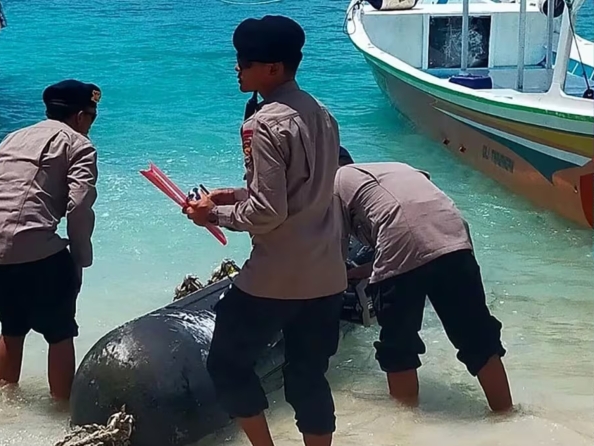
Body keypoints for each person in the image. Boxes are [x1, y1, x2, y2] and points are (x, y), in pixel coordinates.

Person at [184, 15, 348, 446]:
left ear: (272, 68)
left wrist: (211, 216)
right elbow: (305, 189)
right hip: (327, 273)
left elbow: (268, 212)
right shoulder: (322, 113)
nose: (236, 68)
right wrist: (231, 194)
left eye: (244, 61)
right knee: (308, 374)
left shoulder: (262, 123)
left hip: (276, 277)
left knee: (226, 365)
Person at [336, 161, 513, 412]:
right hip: (453, 232)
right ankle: (506, 414)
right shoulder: (394, 168)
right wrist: (362, 272)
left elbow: (332, 252)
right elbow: (417, 224)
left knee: (398, 345)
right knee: (478, 337)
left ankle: (406, 429)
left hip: (400, 235)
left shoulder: (333, 184)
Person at [0, 79, 101, 402]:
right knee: (60, 333)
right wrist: (80, 258)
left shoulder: (11, 139)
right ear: (81, 117)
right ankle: (60, 413)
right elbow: (79, 205)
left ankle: (6, 409)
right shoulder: (78, 145)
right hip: (33, 249)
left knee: (11, 328)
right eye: (92, 119)